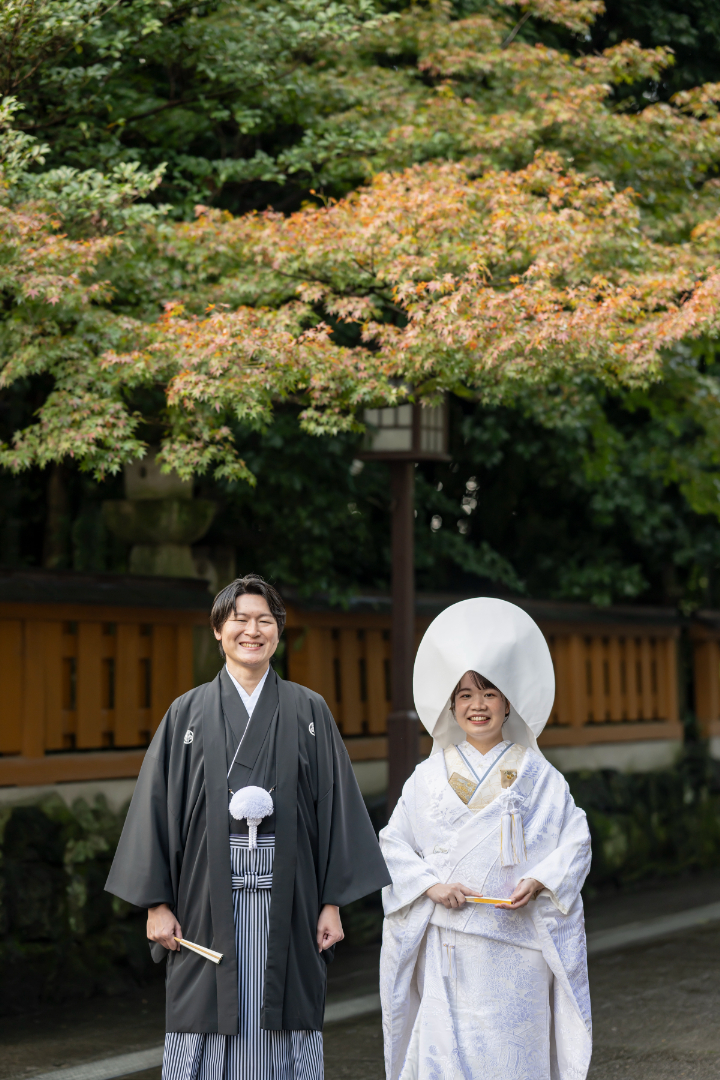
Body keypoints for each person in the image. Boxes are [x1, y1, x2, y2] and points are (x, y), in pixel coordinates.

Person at [106, 574, 390, 1080]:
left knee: (286, 1007)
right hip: (202, 900)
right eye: (239, 620)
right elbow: (156, 809)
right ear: (218, 630)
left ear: (278, 631)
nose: (252, 630)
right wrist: (156, 903)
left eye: (265, 620)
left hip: (294, 896)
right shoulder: (186, 713)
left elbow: (335, 810)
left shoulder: (309, 710)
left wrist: (332, 903)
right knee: (204, 1012)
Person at [379, 598, 592, 1080]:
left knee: (514, 1057)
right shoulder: (427, 777)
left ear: (508, 702)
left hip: (517, 946)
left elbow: (575, 840)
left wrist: (539, 879)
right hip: (449, 943)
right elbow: (393, 844)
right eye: (466, 695)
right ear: (452, 706)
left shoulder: (539, 775)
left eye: (490, 693)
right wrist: (431, 885)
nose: (478, 706)